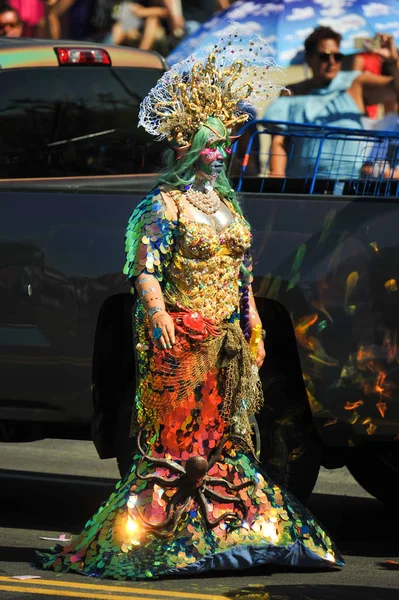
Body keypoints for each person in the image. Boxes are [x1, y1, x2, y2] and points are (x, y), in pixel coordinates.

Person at [36, 31, 344, 580]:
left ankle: (227, 530)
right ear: (188, 148)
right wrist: (157, 315)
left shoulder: (227, 207)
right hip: (181, 341)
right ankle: (157, 533)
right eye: (212, 143)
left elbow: (244, 268)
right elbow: (144, 268)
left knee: (228, 434)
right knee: (178, 439)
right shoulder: (161, 206)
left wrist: (250, 315)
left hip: (227, 343)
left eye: (225, 144)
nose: (221, 153)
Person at [264, 26, 399, 180]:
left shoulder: (355, 84)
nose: (332, 62)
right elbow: (279, 142)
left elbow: (395, 90)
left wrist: (393, 63)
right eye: (324, 56)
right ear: (309, 58)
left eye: (338, 56)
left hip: (349, 187)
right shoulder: (292, 92)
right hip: (302, 188)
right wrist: (277, 177)